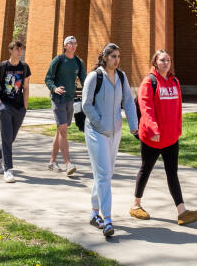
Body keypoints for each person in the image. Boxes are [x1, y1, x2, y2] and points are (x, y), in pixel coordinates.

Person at [129, 49, 197, 226]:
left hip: (170, 138)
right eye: (162, 60)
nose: (166, 63)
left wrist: (178, 130)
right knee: (146, 169)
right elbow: (146, 109)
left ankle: (182, 212)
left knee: (172, 173)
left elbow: (178, 108)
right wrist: (154, 130)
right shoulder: (149, 82)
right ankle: (136, 205)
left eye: (168, 60)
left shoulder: (174, 81)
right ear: (155, 62)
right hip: (152, 138)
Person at [82, 43, 138, 237]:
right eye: (113, 56)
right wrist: (99, 123)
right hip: (96, 132)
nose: (117, 59)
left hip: (115, 132)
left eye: (118, 56)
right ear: (104, 57)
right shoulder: (94, 77)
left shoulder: (122, 77)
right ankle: (107, 220)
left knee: (104, 173)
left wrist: (133, 125)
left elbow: (129, 102)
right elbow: (86, 105)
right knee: (104, 174)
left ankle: (94, 212)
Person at [44, 35, 87, 175]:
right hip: (58, 99)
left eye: (75, 43)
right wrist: (54, 88)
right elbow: (48, 78)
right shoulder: (59, 60)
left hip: (70, 99)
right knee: (63, 130)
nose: (73, 45)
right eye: (70, 43)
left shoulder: (78, 62)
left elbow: (85, 80)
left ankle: (52, 162)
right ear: (65, 46)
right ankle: (68, 163)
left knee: (60, 131)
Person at [0, 40, 31, 183]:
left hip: (19, 107)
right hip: (5, 106)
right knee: (6, 137)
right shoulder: (2, 67)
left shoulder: (24, 67)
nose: (20, 51)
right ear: (11, 50)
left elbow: (26, 87)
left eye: (21, 49)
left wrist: (25, 106)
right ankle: (8, 170)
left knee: (11, 138)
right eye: (17, 49)